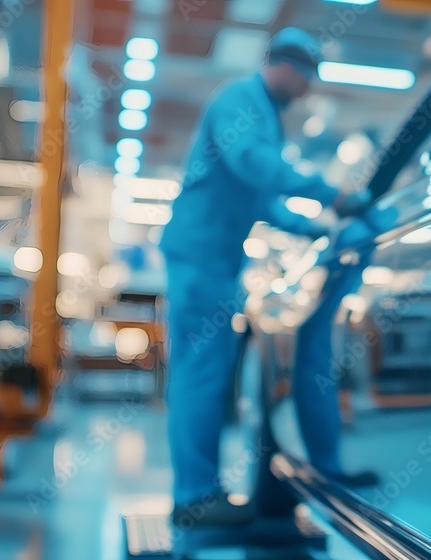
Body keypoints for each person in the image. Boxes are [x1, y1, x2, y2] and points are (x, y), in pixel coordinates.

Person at [158, 28, 371, 527]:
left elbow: (262, 202)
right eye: (306, 78)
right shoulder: (241, 100)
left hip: (215, 260)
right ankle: (193, 497)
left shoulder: (265, 116)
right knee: (200, 377)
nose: (307, 90)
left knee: (206, 377)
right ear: (287, 67)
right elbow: (253, 165)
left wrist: (314, 225)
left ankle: (197, 492)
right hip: (200, 257)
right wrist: (330, 195)